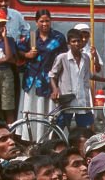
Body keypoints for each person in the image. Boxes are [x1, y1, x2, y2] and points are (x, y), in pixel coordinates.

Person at [17, 10, 67, 143]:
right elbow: (18, 50)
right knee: (33, 108)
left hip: (51, 80)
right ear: (36, 22)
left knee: (49, 110)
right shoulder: (31, 36)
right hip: (33, 79)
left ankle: (48, 140)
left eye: (47, 21)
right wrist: (27, 55)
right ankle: (31, 139)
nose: (45, 24)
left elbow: (64, 58)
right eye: (41, 21)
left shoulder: (58, 37)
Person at [49, 27, 93, 128]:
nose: (76, 44)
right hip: (67, 101)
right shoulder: (62, 58)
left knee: (84, 131)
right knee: (60, 129)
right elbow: (52, 75)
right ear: (68, 43)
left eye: (78, 41)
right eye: (73, 41)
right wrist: (55, 89)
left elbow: (89, 75)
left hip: (82, 101)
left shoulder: (86, 58)